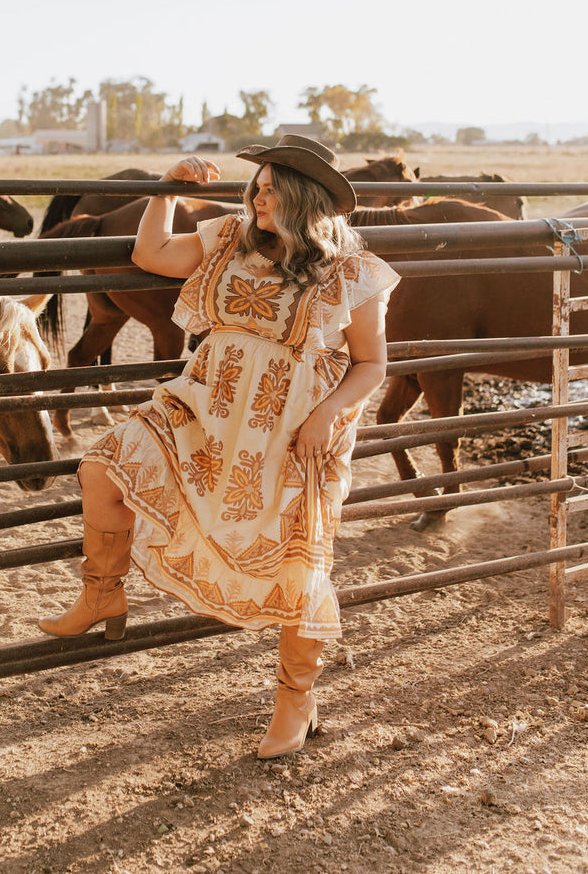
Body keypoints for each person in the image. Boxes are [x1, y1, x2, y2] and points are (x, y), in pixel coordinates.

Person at [38, 134, 399, 759]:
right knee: (102, 467)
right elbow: (150, 252)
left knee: (296, 564)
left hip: (297, 426)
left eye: (269, 189)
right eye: (255, 188)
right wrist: (167, 188)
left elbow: (370, 365)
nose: (257, 198)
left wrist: (326, 416)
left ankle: (296, 701)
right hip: (209, 402)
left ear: (301, 198)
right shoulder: (231, 236)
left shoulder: (352, 271)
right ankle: (102, 590)